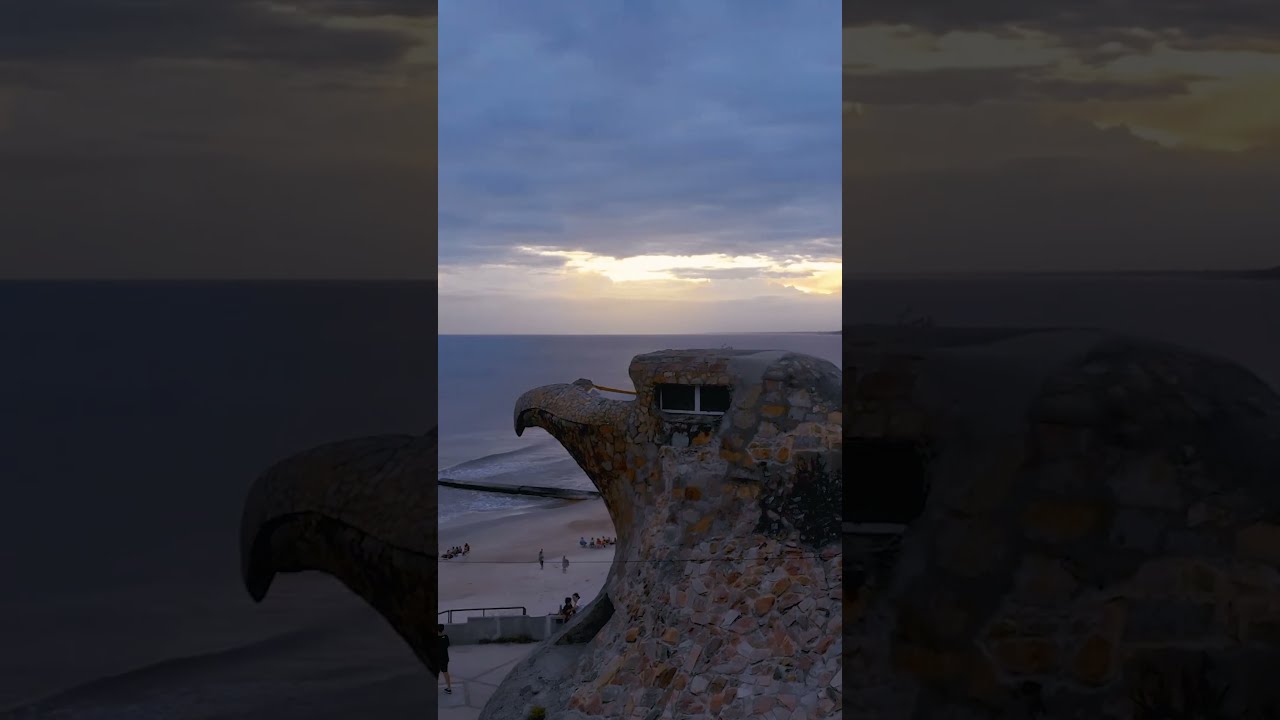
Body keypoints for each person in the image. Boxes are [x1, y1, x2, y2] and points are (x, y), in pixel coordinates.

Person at [433, 624, 452, 695]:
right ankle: (449, 688)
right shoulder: (446, 637)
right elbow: (447, 645)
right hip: (445, 658)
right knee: (445, 672)